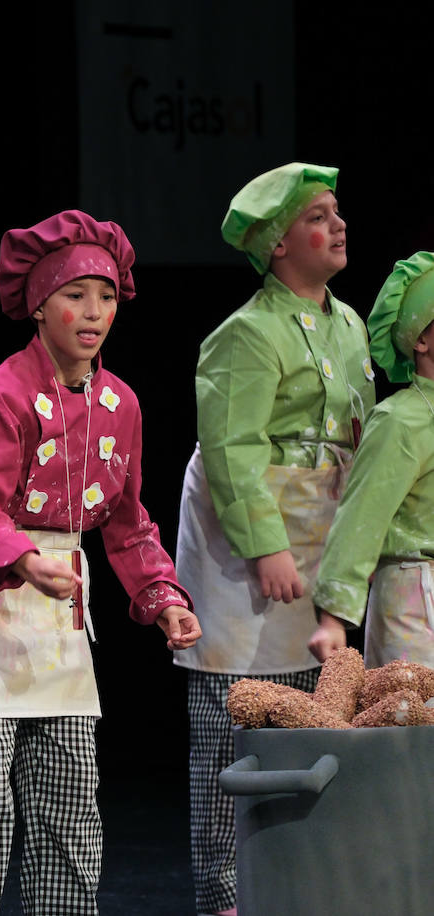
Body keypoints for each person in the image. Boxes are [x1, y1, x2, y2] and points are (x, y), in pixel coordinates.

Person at [0, 210, 200, 915]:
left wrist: (164, 598)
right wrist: (25, 560)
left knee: (70, 804)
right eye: (74, 296)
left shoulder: (121, 402)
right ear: (39, 306)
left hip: (61, 614)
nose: (93, 312)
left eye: (105, 296)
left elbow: (127, 521)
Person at [172, 163, 372, 916]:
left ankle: (302, 882)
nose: (339, 224)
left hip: (323, 528)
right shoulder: (245, 335)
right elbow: (229, 449)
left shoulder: (349, 324)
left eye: (336, 210)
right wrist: (265, 547)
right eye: (319, 216)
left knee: (317, 712)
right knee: (237, 720)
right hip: (247, 546)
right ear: (279, 244)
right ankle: (227, 891)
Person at [310, 253, 434, 667]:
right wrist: (333, 617)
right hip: (415, 601)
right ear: (420, 339)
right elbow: (360, 518)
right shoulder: (401, 419)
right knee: (415, 728)